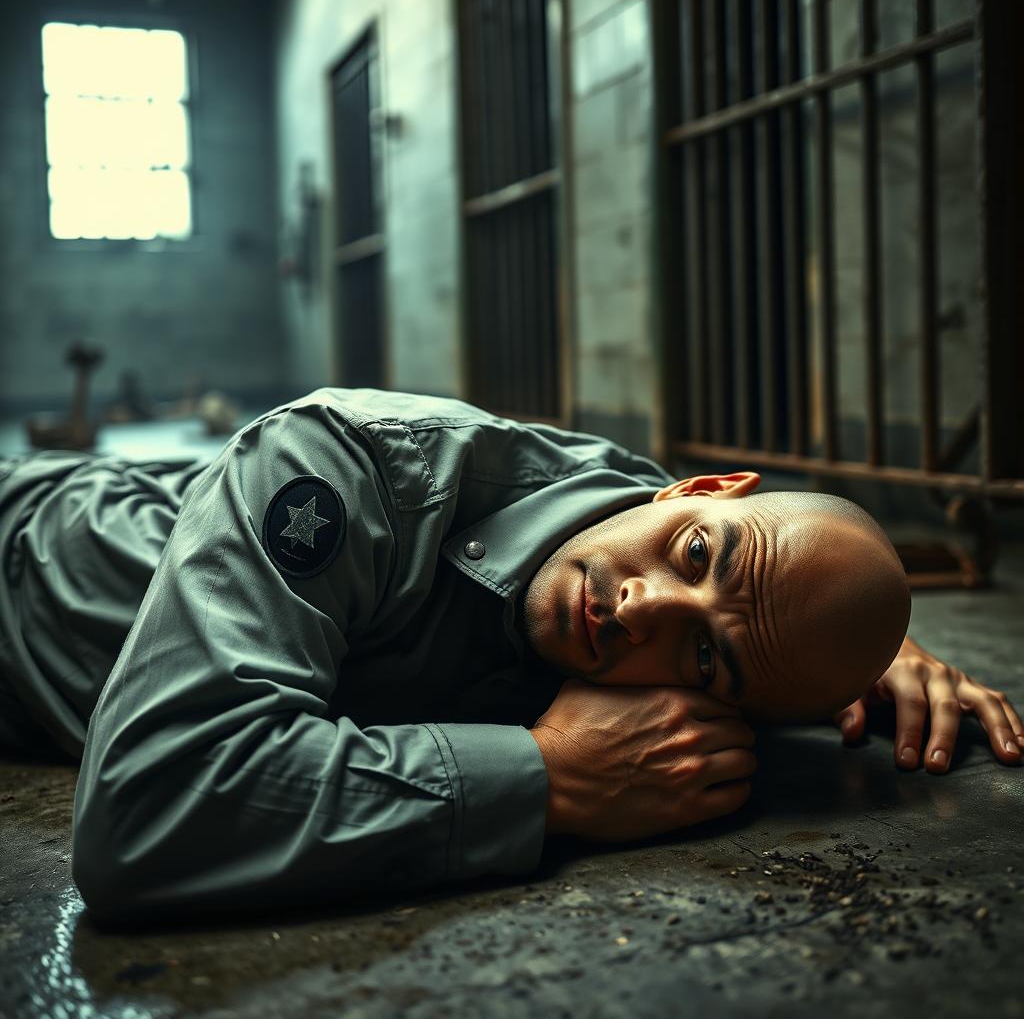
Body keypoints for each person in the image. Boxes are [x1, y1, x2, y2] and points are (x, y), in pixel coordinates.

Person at [0, 388, 1019, 922]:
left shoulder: (701, 566)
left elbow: (759, 594)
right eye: (694, 554)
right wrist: (548, 779)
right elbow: (146, 808)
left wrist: (864, 641)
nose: (637, 609)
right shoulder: (345, 462)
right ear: (698, 491)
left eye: (702, 659)